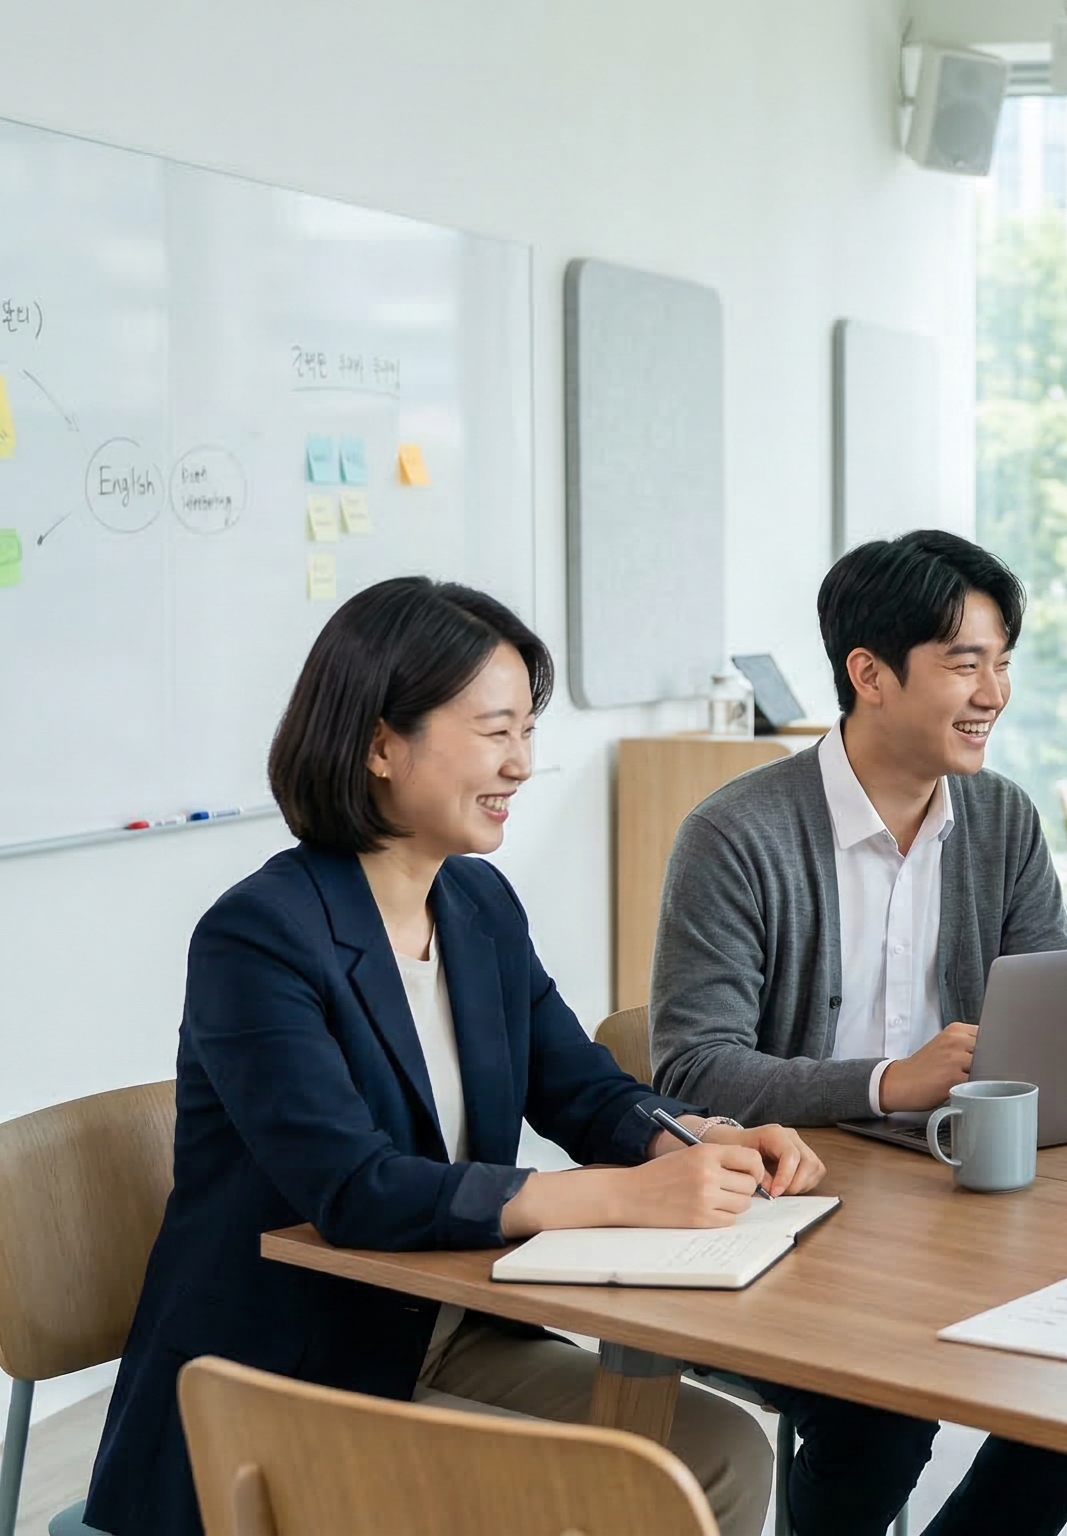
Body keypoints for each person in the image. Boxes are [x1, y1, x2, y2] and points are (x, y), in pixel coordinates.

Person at [86, 579, 789, 1536]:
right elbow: (356, 1189)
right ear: (381, 745)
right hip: (288, 1377)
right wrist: (617, 1196)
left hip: (444, 1332)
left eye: (528, 733)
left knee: (723, 1452)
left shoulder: (478, 908)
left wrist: (693, 1138)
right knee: (626, 1497)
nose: (524, 764)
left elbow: (579, 1088)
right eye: (496, 731)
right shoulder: (258, 937)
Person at [651, 529, 1067, 1534]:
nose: (993, 691)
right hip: (795, 1208)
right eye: (963, 663)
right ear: (870, 676)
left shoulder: (1001, 823)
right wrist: (885, 1082)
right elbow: (691, 1064)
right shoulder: (737, 834)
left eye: (1002, 662)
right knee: (882, 1409)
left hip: (963, 1206)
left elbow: (1058, 1015)